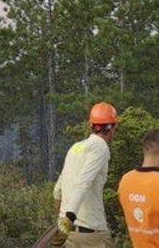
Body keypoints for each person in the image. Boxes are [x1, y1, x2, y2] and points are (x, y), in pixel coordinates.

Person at [52, 102, 119, 247]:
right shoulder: (101, 148)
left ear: (91, 125)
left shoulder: (75, 147)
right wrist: (69, 218)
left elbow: (58, 188)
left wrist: (63, 220)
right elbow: (83, 182)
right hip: (90, 233)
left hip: (69, 235)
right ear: (111, 128)